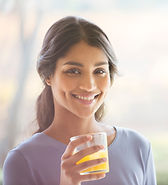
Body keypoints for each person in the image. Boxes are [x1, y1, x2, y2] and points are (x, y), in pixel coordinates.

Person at [3, 16, 157, 185]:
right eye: (73, 71)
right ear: (48, 75)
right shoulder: (23, 161)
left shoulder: (138, 147)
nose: (89, 86)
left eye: (99, 71)